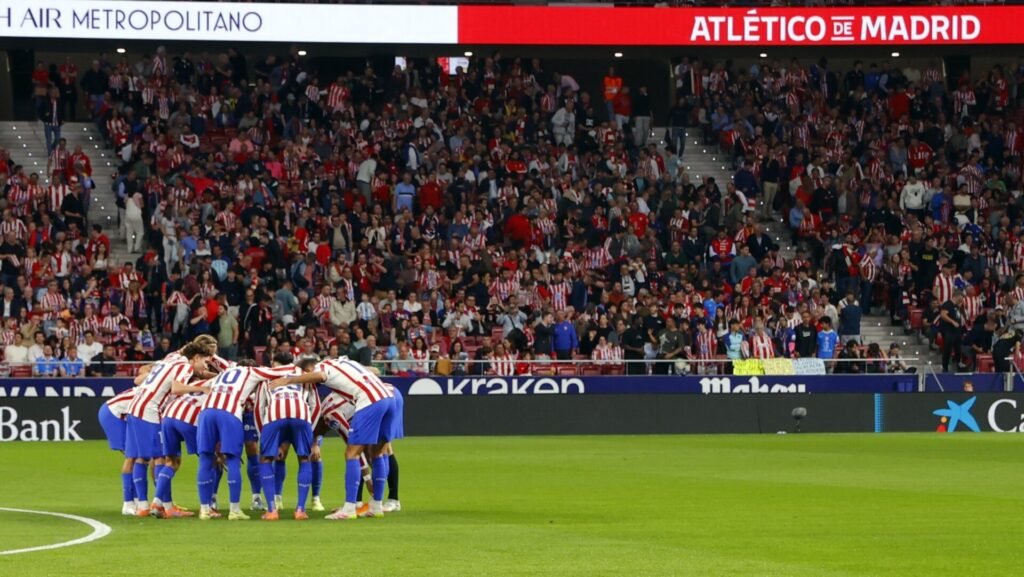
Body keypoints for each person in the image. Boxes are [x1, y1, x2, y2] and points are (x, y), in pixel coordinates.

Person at [268, 356, 402, 520]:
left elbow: (320, 376)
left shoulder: (324, 372)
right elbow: (374, 370)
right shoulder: (344, 362)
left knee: (351, 453)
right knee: (378, 453)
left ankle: (349, 508)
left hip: (370, 400)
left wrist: (288, 380)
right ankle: (376, 506)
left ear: (308, 370)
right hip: (390, 397)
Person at [194, 357, 297, 521]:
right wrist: (297, 366)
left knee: (206, 459)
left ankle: (204, 510)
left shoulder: (223, 373)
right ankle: (234, 510)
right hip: (228, 412)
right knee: (233, 458)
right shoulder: (251, 371)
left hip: (206, 412)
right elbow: (279, 371)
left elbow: (194, 386)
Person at [124, 343, 210, 517]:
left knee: (141, 457)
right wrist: (202, 388)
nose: (205, 366)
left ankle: (143, 506)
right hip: (150, 410)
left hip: (134, 407)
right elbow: (176, 388)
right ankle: (164, 506)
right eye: (205, 361)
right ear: (196, 358)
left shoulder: (171, 359)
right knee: (162, 458)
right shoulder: (185, 366)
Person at [253, 355, 316, 521]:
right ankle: (300, 510)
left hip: (275, 416)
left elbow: (259, 408)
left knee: (266, 459)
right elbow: (315, 404)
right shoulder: (303, 375)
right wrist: (312, 431)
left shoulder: (266, 376)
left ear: (275, 364)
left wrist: (263, 435)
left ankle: (272, 510)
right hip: (301, 415)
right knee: (304, 458)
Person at [149, 378, 211, 519]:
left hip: (168, 417)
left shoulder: (194, 384)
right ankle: (208, 507)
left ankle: (160, 504)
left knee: (171, 461)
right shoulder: (218, 387)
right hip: (189, 420)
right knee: (208, 459)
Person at [97, 386, 138, 515]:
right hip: (114, 414)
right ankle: (128, 503)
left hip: (121, 413)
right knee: (132, 456)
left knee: (139, 457)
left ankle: (137, 500)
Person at [939, 291, 966, 372]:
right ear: (957, 296)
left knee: (958, 348)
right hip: (949, 330)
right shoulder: (948, 304)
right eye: (962, 297)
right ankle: (945, 366)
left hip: (957, 331)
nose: (962, 299)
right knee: (947, 348)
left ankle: (958, 363)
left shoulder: (957, 306)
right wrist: (952, 321)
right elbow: (943, 315)